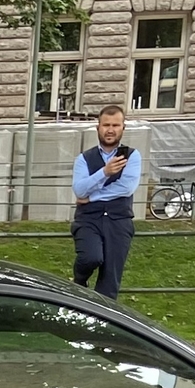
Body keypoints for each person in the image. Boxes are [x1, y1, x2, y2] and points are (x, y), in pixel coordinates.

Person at [71, 104, 140, 299]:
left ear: (123, 128)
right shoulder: (84, 159)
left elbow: (126, 188)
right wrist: (105, 173)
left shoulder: (132, 156)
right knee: (90, 257)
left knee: (110, 282)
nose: (110, 130)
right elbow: (79, 189)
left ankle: (101, 323)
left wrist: (90, 196)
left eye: (116, 125)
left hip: (119, 220)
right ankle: (78, 281)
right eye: (106, 125)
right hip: (89, 220)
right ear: (98, 127)